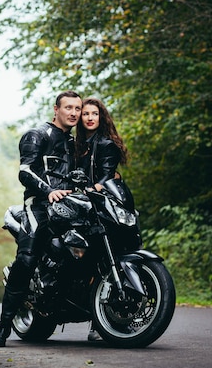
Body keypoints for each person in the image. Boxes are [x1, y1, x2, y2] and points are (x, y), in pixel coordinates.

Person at [0, 90, 83, 347]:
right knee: (27, 258)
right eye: (68, 108)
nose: (74, 113)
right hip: (39, 205)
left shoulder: (76, 143)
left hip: (71, 207)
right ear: (56, 109)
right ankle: (3, 326)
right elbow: (25, 171)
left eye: (78, 108)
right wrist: (49, 191)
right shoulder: (37, 134)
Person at [75, 97, 129, 341]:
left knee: (103, 260)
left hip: (101, 205)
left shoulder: (106, 144)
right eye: (85, 114)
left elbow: (107, 176)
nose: (89, 118)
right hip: (80, 204)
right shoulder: (75, 145)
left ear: (101, 116)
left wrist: (94, 188)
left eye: (94, 113)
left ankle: (99, 323)